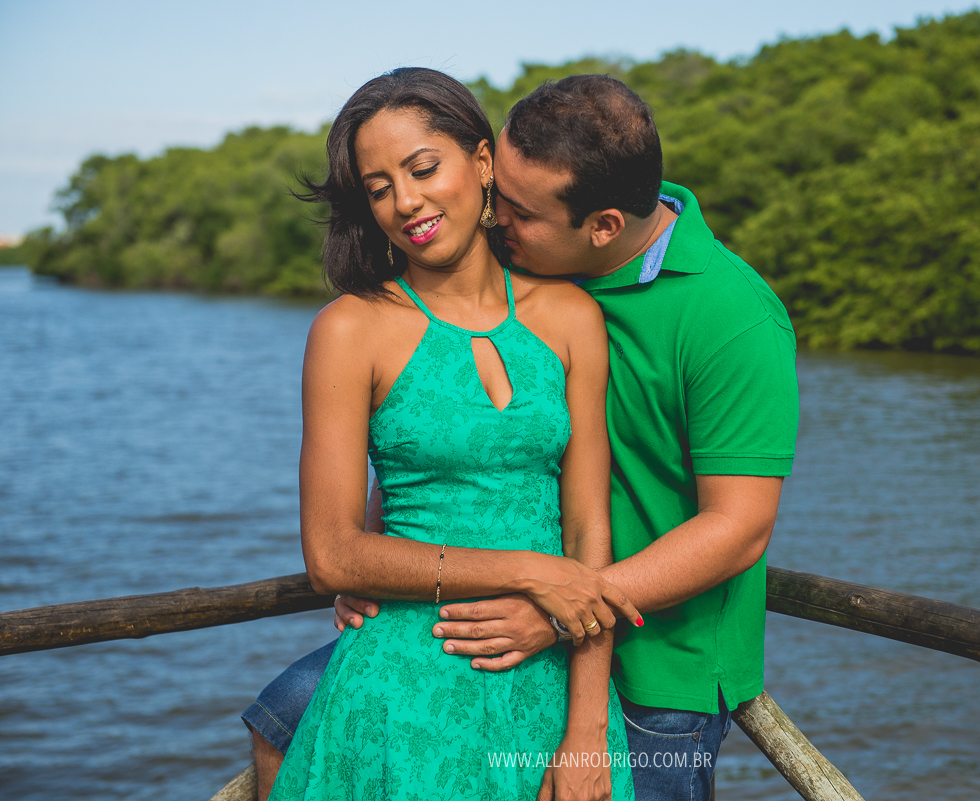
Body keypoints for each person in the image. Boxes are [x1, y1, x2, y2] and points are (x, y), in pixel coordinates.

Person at [244, 73, 800, 801]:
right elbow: (437, 437)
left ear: (601, 226)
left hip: (659, 662)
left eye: (517, 209)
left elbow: (738, 527)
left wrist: (559, 599)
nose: (500, 220)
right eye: (380, 186)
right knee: (283, 715)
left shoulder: (729, 316)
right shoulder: (519, 271)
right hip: (469, 624)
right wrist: (375, 560)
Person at [261, 67, 639, 801]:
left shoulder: (571, 317)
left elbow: (590, 528)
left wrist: (588, 725)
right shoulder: (349, 329)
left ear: (484, 162)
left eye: (422, 168)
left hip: (551, 679)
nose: (405, 201)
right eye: (378, 187)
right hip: (402, 687)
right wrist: (526, 571)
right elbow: (332, 553)